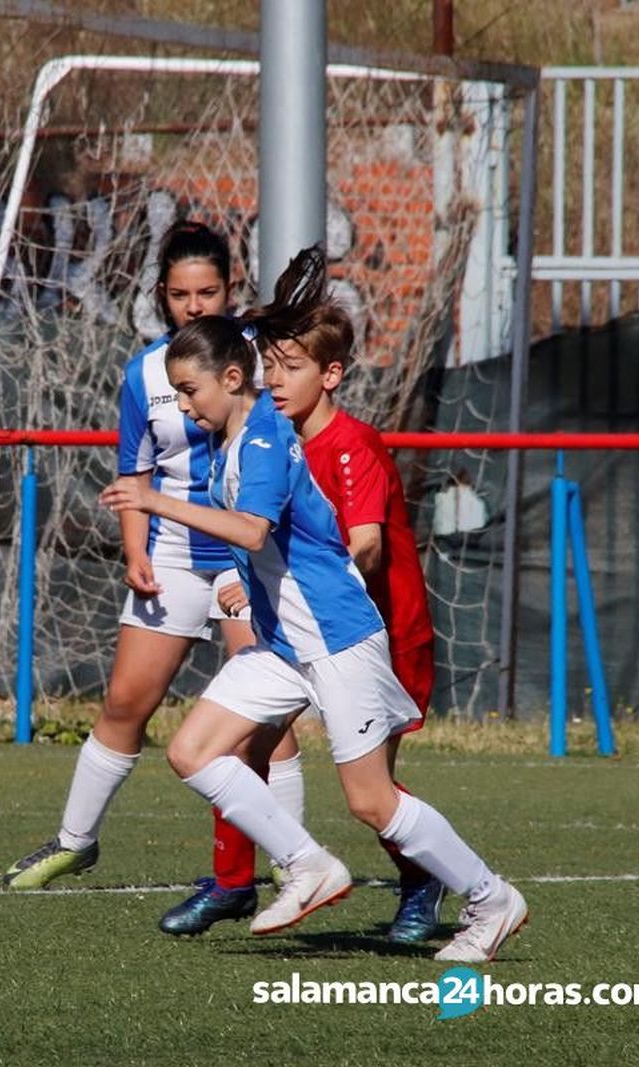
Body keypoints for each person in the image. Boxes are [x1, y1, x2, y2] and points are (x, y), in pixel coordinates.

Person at [100, 248, 527, 963]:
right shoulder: (242, 434)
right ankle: (306, 863)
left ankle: (490, 897)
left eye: (189, 389)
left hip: (335, 635)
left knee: (371, 802)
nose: (182, 405)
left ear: (228, 380)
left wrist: (154, 499)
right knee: (192, 749)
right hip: (284, 644)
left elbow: (254, 530)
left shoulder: (264, 439)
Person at [160, 281, 445, 944]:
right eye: (272, 366)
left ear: (331, 373)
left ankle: (430, 879)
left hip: (371, 632)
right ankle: (242, 879)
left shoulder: (350, 445)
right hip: (301, 636)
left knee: (374, 797)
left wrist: (315, 588)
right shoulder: (267, 438)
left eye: (291, 368)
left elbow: (365, 545)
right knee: (235, 744)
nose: (276, 380)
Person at [2, 222, 257, 890]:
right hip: (171, 553)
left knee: (261, 719)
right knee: (123, 702)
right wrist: (135, 551)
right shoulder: (146, 370)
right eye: (180, 294)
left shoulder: (261, 356)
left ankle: (283, 867)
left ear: (231, 288)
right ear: (161, 297)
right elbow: (135, 475)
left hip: (249, 559)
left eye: (208, 290)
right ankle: (74, 839)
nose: (195, 305)